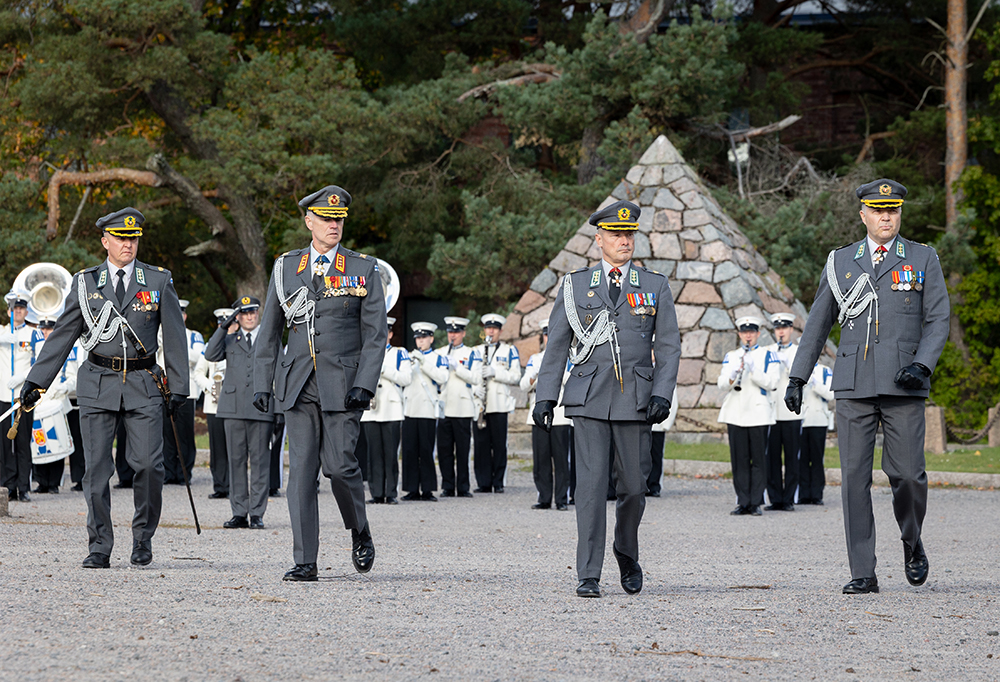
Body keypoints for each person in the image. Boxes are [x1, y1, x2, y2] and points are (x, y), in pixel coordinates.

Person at [785, 179, 948, 594]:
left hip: (903, 383)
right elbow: (820, 322)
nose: (886, 216)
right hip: (853, 384)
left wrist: (923, 366)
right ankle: (863, 570)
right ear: (863, 215)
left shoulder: (922, 258)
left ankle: (912, 541)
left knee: (908, 475)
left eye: (892, 210)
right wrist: (797, 376)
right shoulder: (841, 261)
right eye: (878, 210)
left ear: (899, 213)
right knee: (854, 479)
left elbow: (937, 320)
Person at [21, 207, 188, 568]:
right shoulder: (85, 283)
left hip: (143, 383)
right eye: (121, 238)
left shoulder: (158, 281)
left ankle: (142, 537)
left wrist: (179, 388)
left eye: (133, 238)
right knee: (95, 471)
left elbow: (175, 339)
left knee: (148, 466)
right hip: (98, 383)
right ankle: (99, 544)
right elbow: (63, 335)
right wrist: (37, 381)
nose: (128, 244)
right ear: (105, 241)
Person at [534, 199, 681, 599]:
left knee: (634, 487)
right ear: (598, 239)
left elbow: (668, 346)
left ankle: (625, 550)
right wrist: (546, 396)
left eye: (629, 234)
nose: (624, 240)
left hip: (635, 398)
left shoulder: (654, 286)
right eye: (616, 235)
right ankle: (588, 573)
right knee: (591, 487)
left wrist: (662, 393)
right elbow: (557, 347)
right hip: (588, 397)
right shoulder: (575, 285)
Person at [253, 185, 386, 582]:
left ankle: (358, 528)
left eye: (339, 220)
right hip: (297, 383)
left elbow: (376, 334)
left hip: (343, 384)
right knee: (302, 473)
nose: (334, 225)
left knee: (340, 466)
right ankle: (305, 560)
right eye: (326, 219)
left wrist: (366, 382)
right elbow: (269, 331)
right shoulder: (285, 268)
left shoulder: (362, 268)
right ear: (308, 221)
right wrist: (263, 382)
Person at [207, 295, 274, 530]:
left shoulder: (268, 338)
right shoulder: (230, 340)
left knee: (259, 461)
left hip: (261, 407)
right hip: (233, 408)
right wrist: (224, 326)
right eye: (245, 313)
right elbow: (210, 354)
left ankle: (256, 513)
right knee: (235, 461)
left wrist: (281, 411)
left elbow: (282, 370)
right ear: (238, 316)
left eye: (253, 312)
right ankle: (238, 512)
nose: (250, 316)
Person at [717, 316, 781, 517]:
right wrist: (733, 375)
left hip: (758, 413)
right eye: (744, 333)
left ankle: (755, 502)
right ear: (739, 334)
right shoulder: (732, 355)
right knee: (739, 460)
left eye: (752, 332)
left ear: (758, 334)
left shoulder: (768, 355)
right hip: (736, 412)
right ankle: (742, 501)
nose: (748, 336)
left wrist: (753, 371)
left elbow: (773, 383)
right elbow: (721, 384)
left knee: (758, 460)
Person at [521, 318, 572, 511]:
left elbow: (570, 380)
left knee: (560, 459)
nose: (549, 337)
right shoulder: (535, 359)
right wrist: (535, 376)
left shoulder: (568, 357)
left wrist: (553, 373)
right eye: (546, 334)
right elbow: (523, 384)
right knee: (541, 458)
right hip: (538, 414)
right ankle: (543, 497)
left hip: (559, 414)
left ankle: (561, 499)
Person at [361, 316, 411, 504]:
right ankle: (376, 493)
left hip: (391, 407)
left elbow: (406, 379)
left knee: (390, 452)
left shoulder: (400, 353)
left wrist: (383, 370)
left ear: (390, 334)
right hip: (372, 408)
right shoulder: (366, 352)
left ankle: (390, 492)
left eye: (386, 332)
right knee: (373, 454)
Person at [28, 314, 78, 494]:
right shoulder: (35, 348)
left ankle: (54, 482)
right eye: (43, 328)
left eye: (49, 328)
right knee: (38, 440)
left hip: (57, 399)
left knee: (55, 441)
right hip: (39, 401)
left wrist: (64, 387)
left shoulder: (66, 348)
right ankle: (41, 481)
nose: (45, 332)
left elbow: (73, 376)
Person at [472, 313, 520, 493]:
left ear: (500, 331)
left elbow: (516, 377)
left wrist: (495, 372)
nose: (490, 332)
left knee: (499, 444)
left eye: (494, 329)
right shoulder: (476, 350)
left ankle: (498, 482)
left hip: (499, 403)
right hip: (480, 404)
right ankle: (483, 482)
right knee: (481, 444)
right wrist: (474, 389)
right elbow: (470, 376)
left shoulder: (509, 351)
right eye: (487, 328)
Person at [0, 292, 41, 501]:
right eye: (14, 308)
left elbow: (42, 361)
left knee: (23, 443)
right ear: (8, 311)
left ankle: (23, 487)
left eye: (21, 308)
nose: (18, 311)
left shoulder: (34, 334)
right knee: (4, 445)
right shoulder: (2, 332)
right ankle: (7, 486)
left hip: (22, 398)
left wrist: (23, 376)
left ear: (26, 311)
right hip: (3, 396)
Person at [401, 321, 448, 501]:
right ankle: (411, 489)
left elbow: (442, 377)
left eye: (424, 338)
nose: (420, 341)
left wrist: (424, 363)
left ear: (431, 338)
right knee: (410, 450)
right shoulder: (408, 357)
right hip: (410, 408)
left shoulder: (438, 357)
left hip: (428, 409)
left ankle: (427, 489)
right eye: (418, 338)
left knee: (427, 450)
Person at [435, 316, 481, 498]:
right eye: (450, 332)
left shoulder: (471, 353)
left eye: (456, 332)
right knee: (444, 449)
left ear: (463, 333)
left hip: (462, 407)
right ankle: (447, 485)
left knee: (462, 450)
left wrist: (458, 368)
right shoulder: (439, 353)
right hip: (445, 405)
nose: (452, 336)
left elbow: (476, 378)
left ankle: (463, 486)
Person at [159, 299, 204, 485]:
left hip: (188, 391)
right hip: (164, 389)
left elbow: (198, 357)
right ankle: (169, 472)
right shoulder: (159, 335)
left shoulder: (193, 336)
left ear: (184, 316)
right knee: (166, 433)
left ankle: (185, 473)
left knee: (185, 435)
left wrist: (176, 342)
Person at [763, 312, 801, 511]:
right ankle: (775, 497)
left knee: (792, 457)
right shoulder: (768, 350)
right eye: (778, 328)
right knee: (772, 458)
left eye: (784, 328)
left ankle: (788, 499)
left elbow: (807, 378)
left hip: (791, 412)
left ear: (791, 330)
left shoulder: (798, 351)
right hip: (772, 412)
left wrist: (787, 367)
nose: (781, 331)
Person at [199, 308, 229, 498]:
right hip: (214, 403)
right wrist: (211, 385)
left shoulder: (238, 343)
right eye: (221, 323)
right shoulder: (210, 345)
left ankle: (235, 485)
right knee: (217, 448)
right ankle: (220, 485)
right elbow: (198, 373)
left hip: (234, 403)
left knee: (234, 447)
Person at [798, 362, 833, 505]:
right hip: (801, 419)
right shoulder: (798, 368)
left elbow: (831, 394)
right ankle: (803, 494)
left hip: (818, 420)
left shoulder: (824, 371)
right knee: (802, 459)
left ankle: (817, 494)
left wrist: (815, 383)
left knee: (817, 459)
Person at [647, 385, 678, 497]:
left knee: (656, 455)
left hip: (657, 424)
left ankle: (654, 485)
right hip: (641, 421)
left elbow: (672, 397)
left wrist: (665, 424)